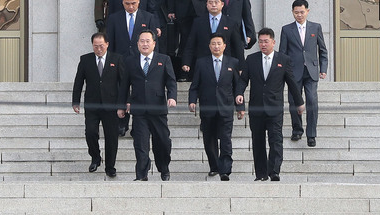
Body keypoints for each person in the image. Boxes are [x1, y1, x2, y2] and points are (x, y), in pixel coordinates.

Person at [236, 27, 304, 182]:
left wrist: (299, 103)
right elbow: (243, 80)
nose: (263, 44)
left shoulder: (283, 60)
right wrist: (239, 93)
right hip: (256, 108)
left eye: (266, 41)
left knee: (275, 140)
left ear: (273, 42)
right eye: (260, 42)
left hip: (275, 108)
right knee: (258, 142)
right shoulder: (251, 59)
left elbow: (292, 83)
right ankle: (261, 173)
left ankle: (274, 171)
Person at [118, 29, 177, 181]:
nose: (145, 44)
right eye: (142, 41)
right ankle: (141, 174)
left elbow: (171, 81)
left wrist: (172, 97)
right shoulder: (130, 61)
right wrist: (121, 105)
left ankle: (164, 168)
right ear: (137, 44)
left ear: (154, 43)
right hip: (138, 110)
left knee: (163, 142)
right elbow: (124, 85)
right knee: (140, 144)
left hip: (158, 109)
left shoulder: (163, 59)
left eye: (147, 41)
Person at [188, 33, 244, 180]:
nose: (216, 46)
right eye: (213, 43)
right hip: (208, 107)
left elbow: (238, 87)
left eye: (219, 43)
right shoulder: (201, 62)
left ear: (224, 46)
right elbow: (195, 85)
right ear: (209, 46)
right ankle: (214, 166)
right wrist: (192, 100)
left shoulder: (233, 62)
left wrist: (240, 107)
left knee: (226, 138)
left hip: (226, 107)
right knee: (209, 139)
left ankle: (225, 169)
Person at [106, 0, 161, 137]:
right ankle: (121, 124)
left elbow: (153, 41)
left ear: (139, 2)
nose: (131, 7)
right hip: (120, 59)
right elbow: (109, 41)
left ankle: (138, 126)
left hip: (140, 59)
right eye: (127, 3)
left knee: (139, 90)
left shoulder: (148, 17)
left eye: (134, 3)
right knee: (120, 89)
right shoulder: (114, 18)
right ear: (122, 3)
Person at [71, 32, 126, 178]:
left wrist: (123, 104)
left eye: (101, 46)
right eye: (96, 46)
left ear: (107, 44)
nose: (99, 49)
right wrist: (75, 101)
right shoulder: (85, 60)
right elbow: (78, 81)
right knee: (90, 132)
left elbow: (123, 83)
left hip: (111, 105)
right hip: (92, 104)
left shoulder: (117, 59)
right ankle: (95, 157)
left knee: (111, 137)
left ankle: (110, 166)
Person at [280, 0, 328, 148]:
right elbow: (283, 52)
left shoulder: (316, 27)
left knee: (312, 101)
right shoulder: (287, 29)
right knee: (294, 101)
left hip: (311, 71)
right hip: (293, 71)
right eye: (296, 12)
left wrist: (323, 69)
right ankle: (297, 129)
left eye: (302, 12)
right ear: (292, 13)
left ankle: (311, 134)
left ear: (307, 11)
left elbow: (323, 50)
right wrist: (282, 71)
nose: (299, 15)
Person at [181, 0, 244, 74]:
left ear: (222, 4)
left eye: (216, 2)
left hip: (225, 64)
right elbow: (191, 43)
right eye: (210, 2)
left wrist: (241, 66)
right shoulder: (198, 22)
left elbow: (238, 46)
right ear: (206, 5)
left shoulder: (231, 22)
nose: (213, 5)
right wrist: (186, 62)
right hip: (203, 63)